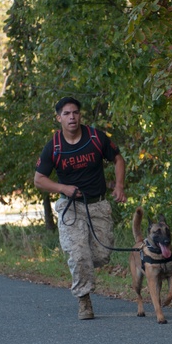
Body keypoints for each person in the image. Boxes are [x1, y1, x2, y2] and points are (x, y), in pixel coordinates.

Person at [34, 96, 126, 320]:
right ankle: (84, 300)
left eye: (75, 113)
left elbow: (118, 159)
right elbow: (39, 179)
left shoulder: (95, 137)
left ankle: (86, 268)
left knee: (102, 255)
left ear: (80, 116)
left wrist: (120, 186)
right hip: (71, 207)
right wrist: (62, 188)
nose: (72, 117)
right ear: (59, 118)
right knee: (78, 254)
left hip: (98, 205)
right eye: (66, 114)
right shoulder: (54, 146)